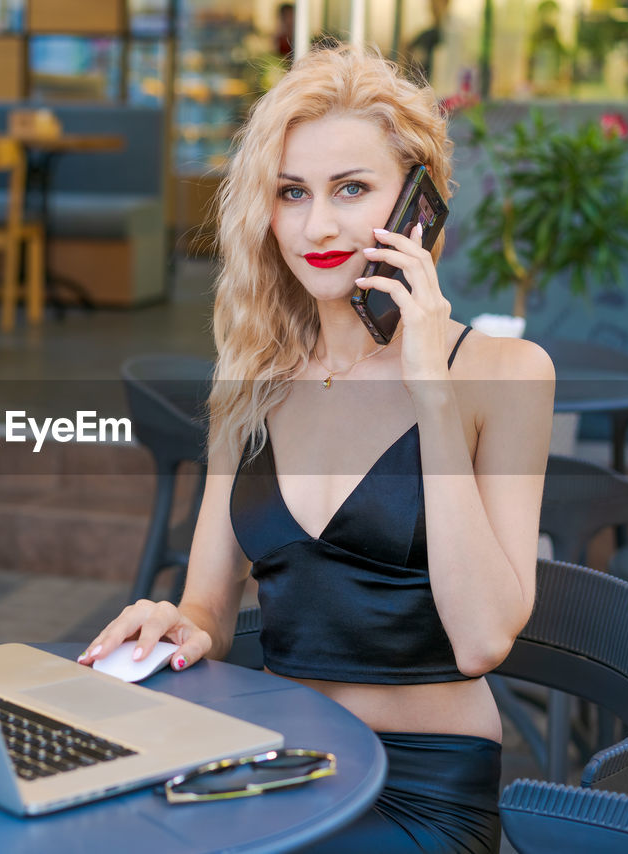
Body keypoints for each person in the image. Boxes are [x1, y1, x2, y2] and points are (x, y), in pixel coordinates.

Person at [81, 45, 553, 854]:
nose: (317, 226)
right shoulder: (252, 380)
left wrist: (429, 390)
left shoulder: (508, 373)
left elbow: (482, 641)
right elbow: (211, 611)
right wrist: (176, 624)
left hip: (423, 788)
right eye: (291, 193)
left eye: (351, 190)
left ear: (417, 203)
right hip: (277, 761)